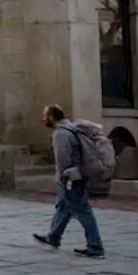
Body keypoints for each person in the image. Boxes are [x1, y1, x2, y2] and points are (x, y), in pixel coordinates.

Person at [34, 104, 105, 258]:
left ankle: (95, 246)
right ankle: (53, 237)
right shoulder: (70, 128)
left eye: (45, 115)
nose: (43, 118)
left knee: (83, 211)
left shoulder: (60, 134)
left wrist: (61, 177)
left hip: (71, 178)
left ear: (52, 117)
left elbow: (63, 160)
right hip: (76, 175)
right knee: (63, 207)